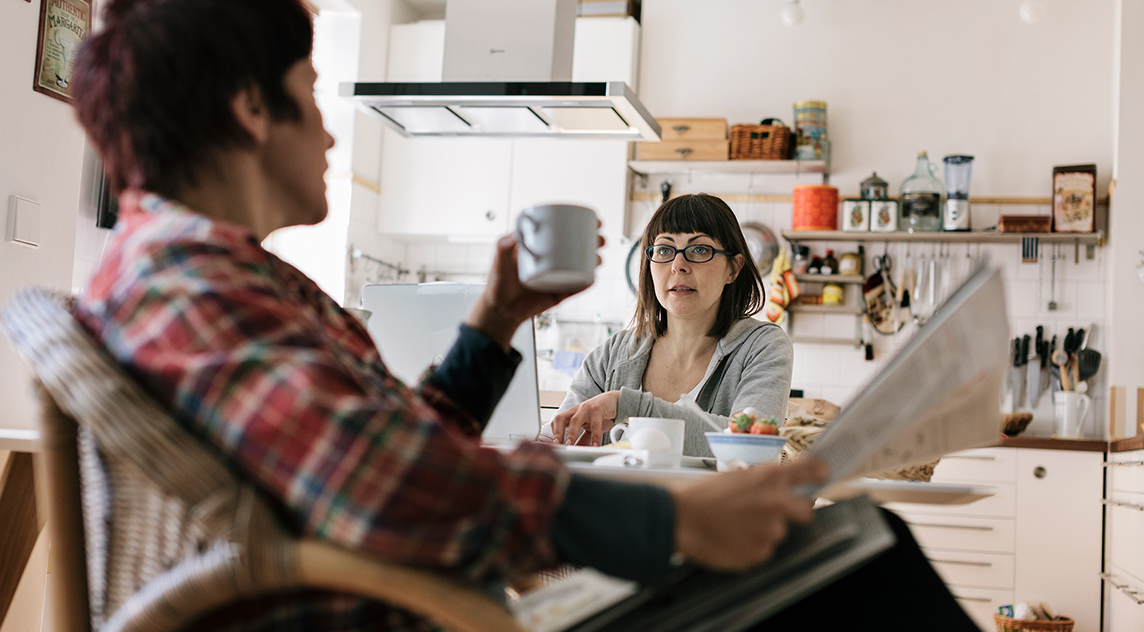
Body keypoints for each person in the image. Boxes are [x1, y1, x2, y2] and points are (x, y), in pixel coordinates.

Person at [67, 1, 978, 630]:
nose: (334, 129)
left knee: (849, 548)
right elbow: (382, 485)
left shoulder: (201, 276)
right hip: (421, 614)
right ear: (250, 109)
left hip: (424, 595)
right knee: (861, 548)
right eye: (312, 90)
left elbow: (379, 454)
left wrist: (493, 323)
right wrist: (672, 525)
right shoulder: (195, 290)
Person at [541, 194, 792, 456]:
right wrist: (543, 444)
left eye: (699, 249)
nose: (678, 266)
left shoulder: (763, 346)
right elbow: (558, 436)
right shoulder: (613, 353)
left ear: (733, 268)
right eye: (664, 249)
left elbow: (750, 449)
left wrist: (629, 405)